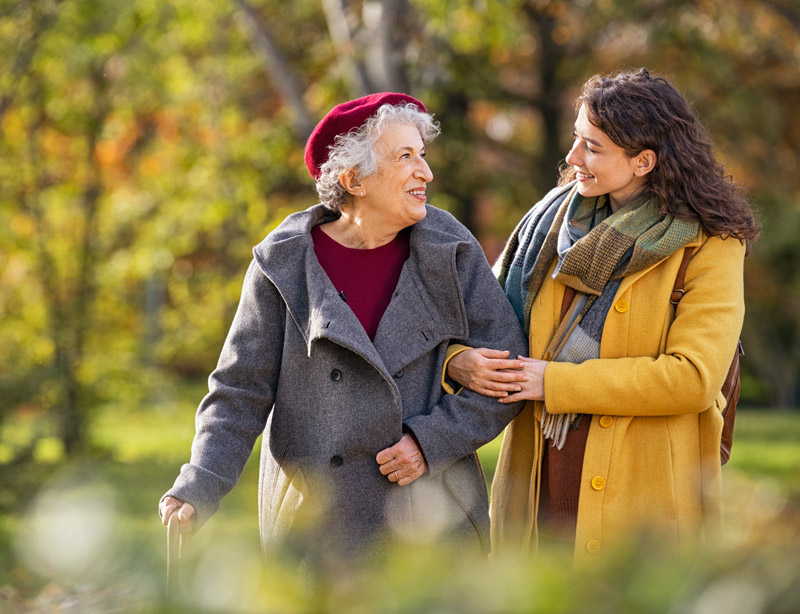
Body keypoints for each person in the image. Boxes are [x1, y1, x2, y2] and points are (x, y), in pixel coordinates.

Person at [158, 93, 527, 573]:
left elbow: (508, 370)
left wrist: (430, 441)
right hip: (318, 524)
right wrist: (200, 481)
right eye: (405, 157)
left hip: (433, 518)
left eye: (422, 154)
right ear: (354, 179)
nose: (426, 173)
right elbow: (239, 390)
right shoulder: (284, 264)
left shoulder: (451, 249)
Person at [446, 68, 760, 563]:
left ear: (643, 161)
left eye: (592, 147)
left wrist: (556, 383)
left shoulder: (711, 245)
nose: (572, 159)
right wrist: (458, 361)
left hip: (644, 500)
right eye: (576, 139)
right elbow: (476, 324)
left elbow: (693, 378)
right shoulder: (546, 229)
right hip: (538, 484)